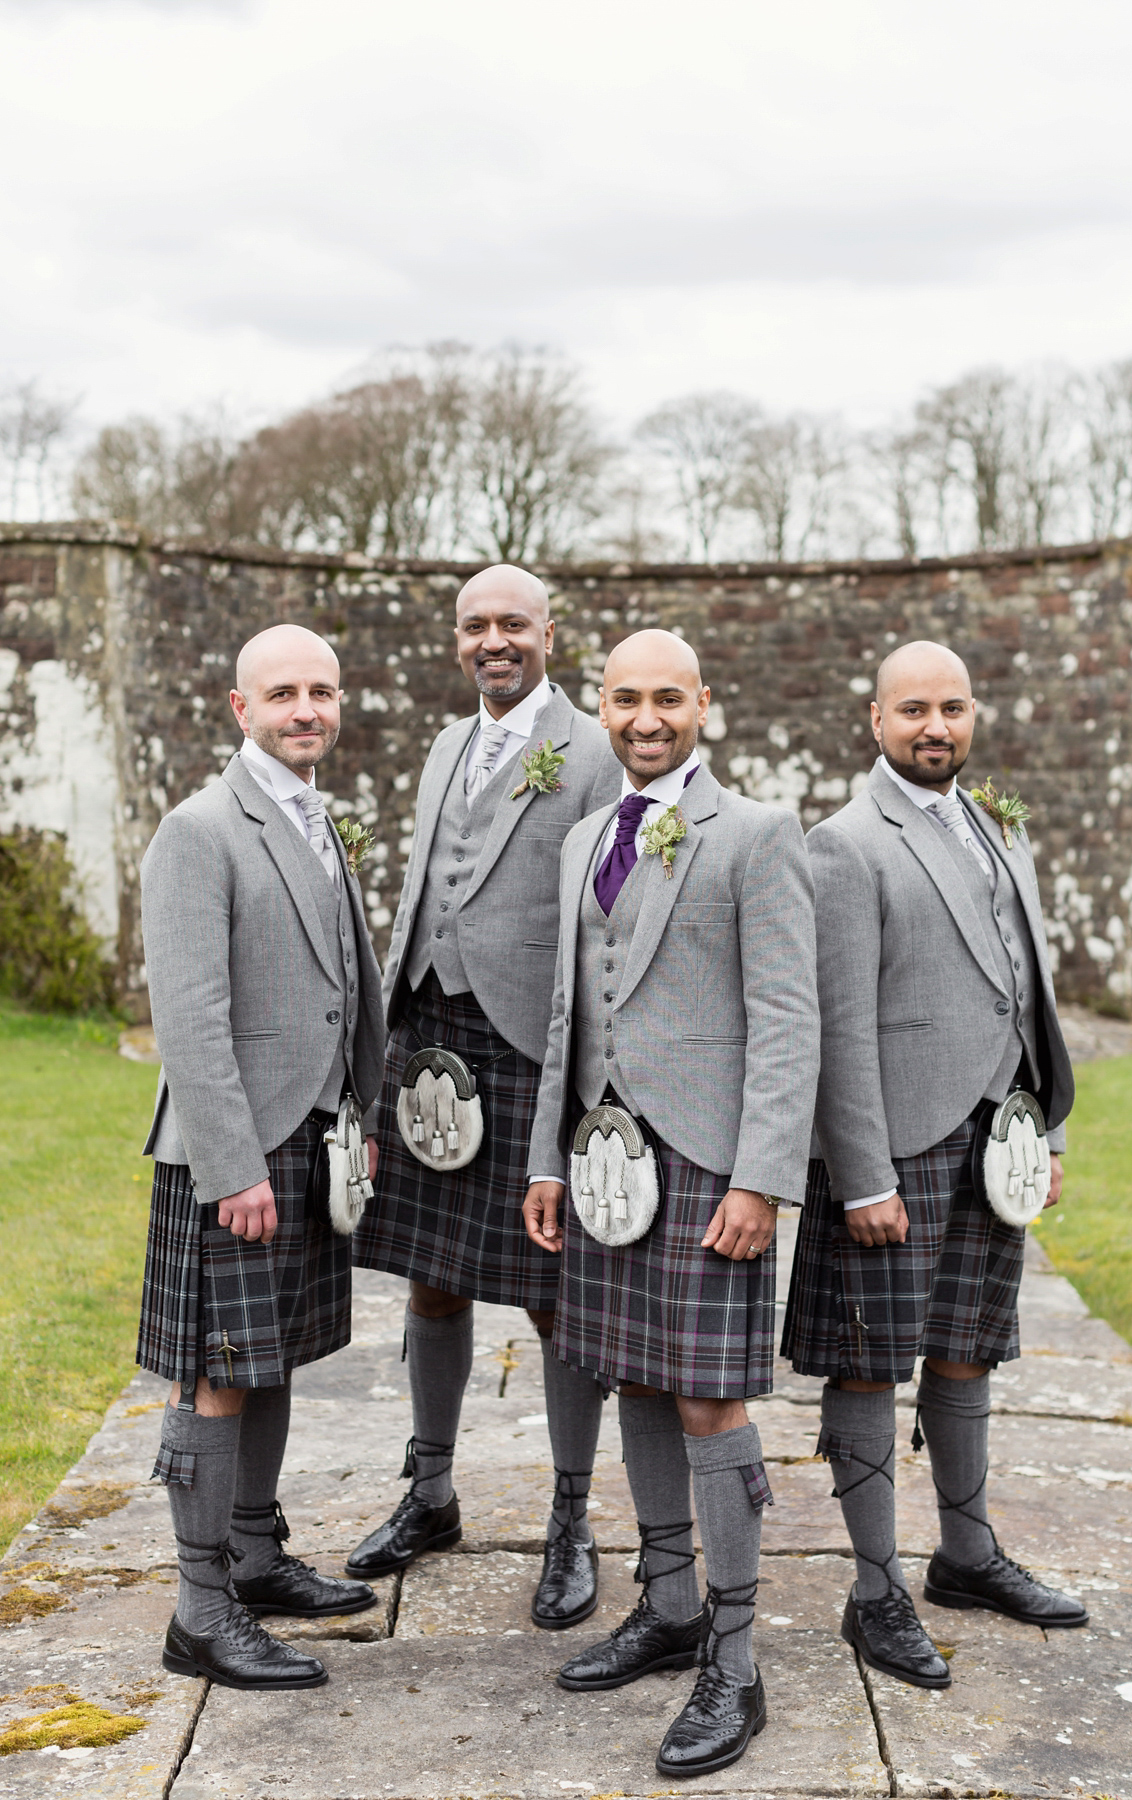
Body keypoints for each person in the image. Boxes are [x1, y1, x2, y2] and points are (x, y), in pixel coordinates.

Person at [522, 629, 819, 1780]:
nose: (647, 718)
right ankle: (668, 1603)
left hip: (706, 1167)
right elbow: (568, 1015)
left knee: (709, 1403)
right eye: (625, 699)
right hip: (603, 1168)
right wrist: (548, 1158)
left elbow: (791, 1021)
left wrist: (760, 1179)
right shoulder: (584, 836)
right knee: (631, 1374)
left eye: (668, 699)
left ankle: (735, 1664)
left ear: (705, 703)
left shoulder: (757, 834)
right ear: (601, 706)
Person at [781, 639, 1087, 1694]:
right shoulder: (842, 845)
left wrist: (1042, 1132)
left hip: (991, 1139)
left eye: (951, 708)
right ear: (875, 719)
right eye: (913, 710)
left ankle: (966, 1555)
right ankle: (874, 1592)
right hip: (893, 1146)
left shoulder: (999, 828)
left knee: (969, 1349)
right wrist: (860, 1173)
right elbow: (835, 1026)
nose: (935, 728)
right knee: (870, 1362)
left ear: (973, 713)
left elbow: (1028, 993)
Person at [346, 565, 622, 1630]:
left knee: (557, 1297)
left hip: (530, 1048)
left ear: (550, 632)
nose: (494, 641)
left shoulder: (597, 751)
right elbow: (428, 890)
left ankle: (569, 1519)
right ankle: (432, 1490)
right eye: (476, 626)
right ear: (456, 639)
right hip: (428, 1037)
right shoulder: (446, 745)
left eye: (513, 623)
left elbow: (611, 921)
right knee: (429, 1280)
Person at [138, 623, 386, 1691]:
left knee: (272, 1354)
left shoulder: (312, 813)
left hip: (310, 1129)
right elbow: (188, 1018)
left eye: (321, 691)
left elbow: (342, 979)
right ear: (240, 708)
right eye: (282, 692)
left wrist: (360, 1106)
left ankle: (252, 1554)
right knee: (216, 1375)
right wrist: (232, 1166)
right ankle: (201, 1610)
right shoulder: (200, 830)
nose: (305, 709)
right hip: (233, 1149)